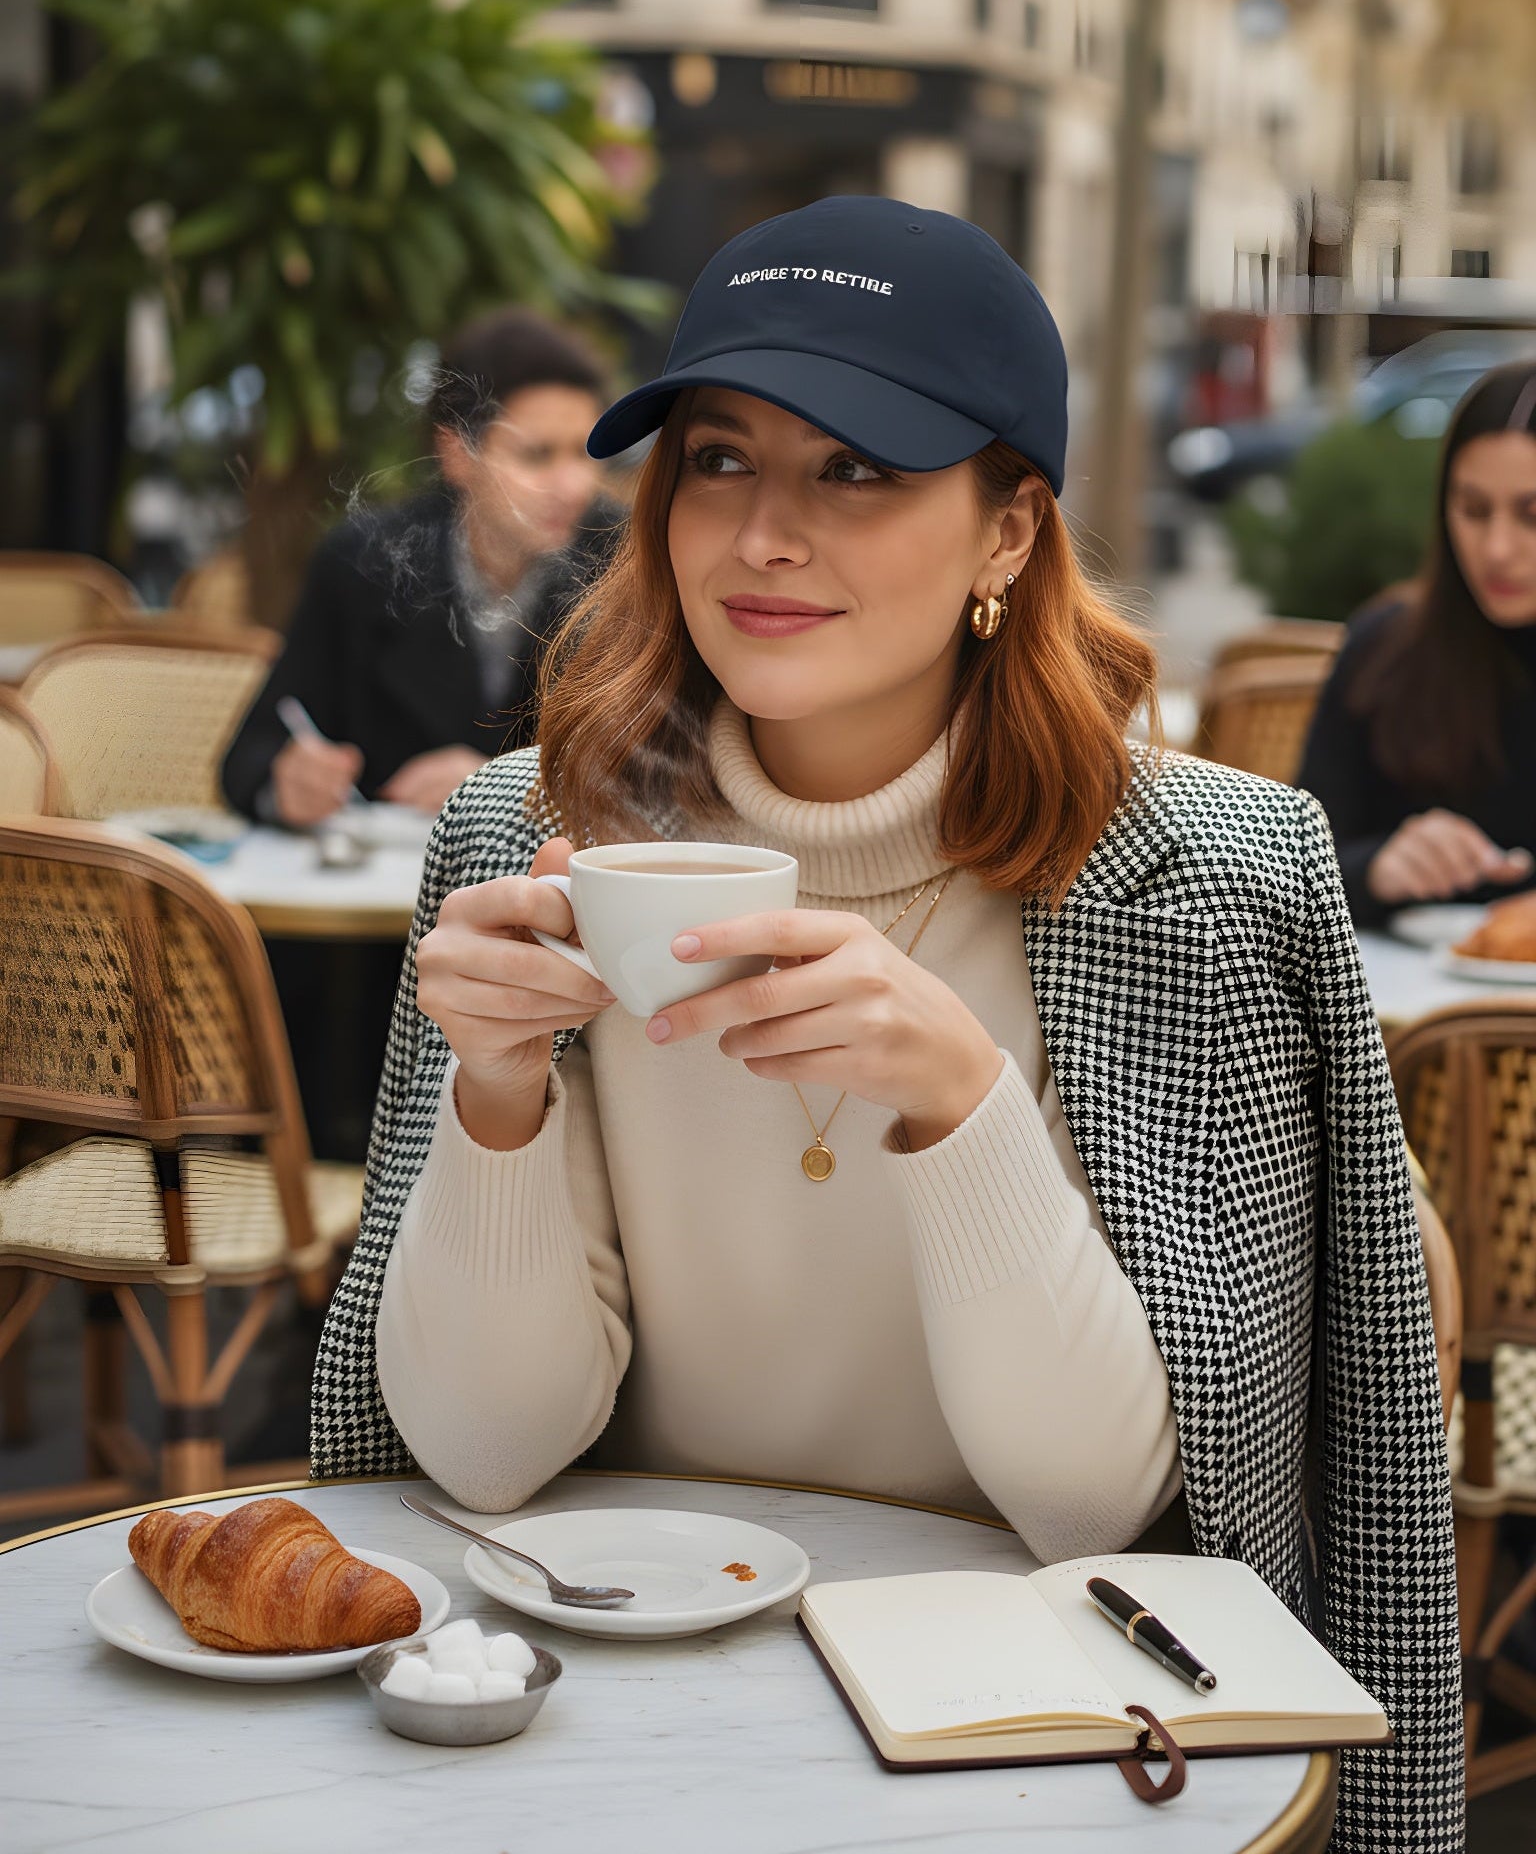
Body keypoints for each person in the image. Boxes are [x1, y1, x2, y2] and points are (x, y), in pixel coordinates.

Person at [311, 199, 1460, 1853]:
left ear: (1009, 532)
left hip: (1036, 1733)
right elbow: (483, 1464)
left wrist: (956, 1099)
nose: (765, 535)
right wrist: (497, 1096)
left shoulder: (1202, 881)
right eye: (719, 458)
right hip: (603, 1709)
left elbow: (1099, 1509)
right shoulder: (530, 841)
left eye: (859, 468)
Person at [222, 307, 623, 825]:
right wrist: (287, 782)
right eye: (538, 455)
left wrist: (506, 785)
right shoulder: (364, 563)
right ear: (457, 453)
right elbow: (250, 757)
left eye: (586, 453)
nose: (575, 486)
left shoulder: (623, 562)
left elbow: (675, 768)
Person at [1298, 360, 1536, 928]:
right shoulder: (1383, 648)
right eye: (1474, 510)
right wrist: (1377, 866)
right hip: (1400, 1011)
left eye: (1532, 515)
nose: (1497, 548)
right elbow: (1293, 875)